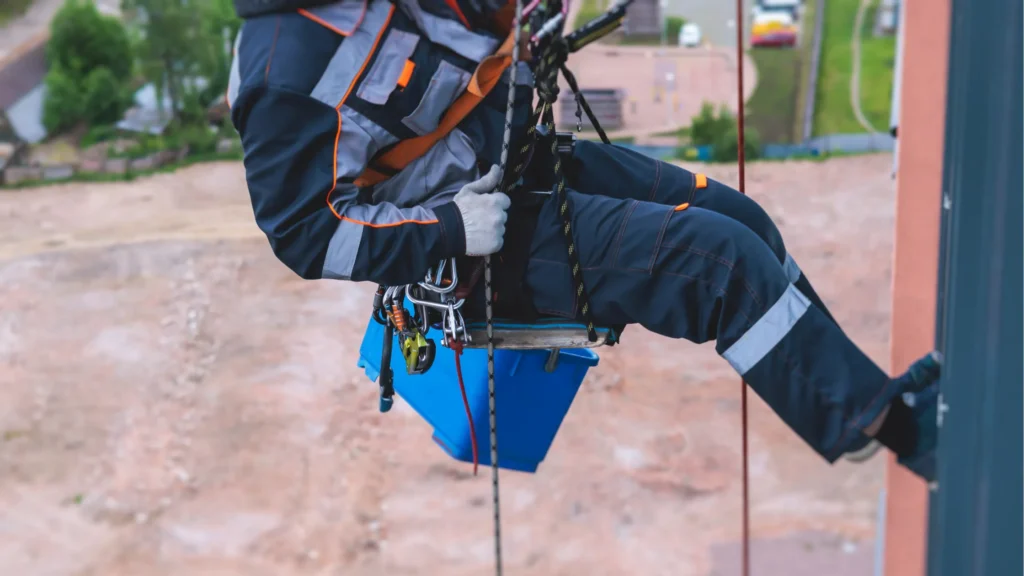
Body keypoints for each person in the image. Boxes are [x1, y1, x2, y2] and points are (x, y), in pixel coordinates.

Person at [227, 0, 941, 481]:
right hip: (481, 250)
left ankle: (858, 400)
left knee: (742, 220)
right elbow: (302, 232)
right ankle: (899, 431)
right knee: (723, 268)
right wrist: (451, 231)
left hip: (523, 165)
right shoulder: (281, 73)